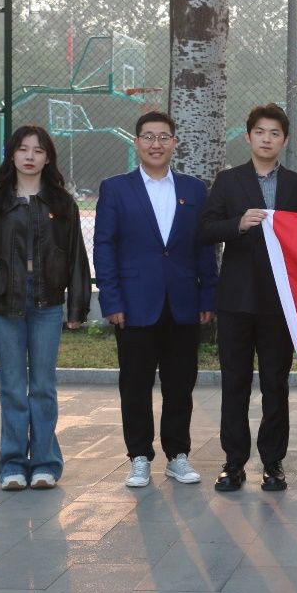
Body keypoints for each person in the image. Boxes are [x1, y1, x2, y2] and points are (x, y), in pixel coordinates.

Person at [0, 125, 91, 491]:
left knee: (43, 385)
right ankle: (12, 465)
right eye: (23, 149)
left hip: (48, 303)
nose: (30, 156)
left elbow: (76, 257)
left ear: (48, 158)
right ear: (12, 154)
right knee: (13, 386)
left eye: (38, 150)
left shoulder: (62, 204)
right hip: (3, 303)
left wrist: (76, 307)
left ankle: (45, 463)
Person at [93, 111, 217, 488]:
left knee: (180, 383)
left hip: (183, 302)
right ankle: (139, 457)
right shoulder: (115, 189)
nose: (156, 144)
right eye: (148, 137)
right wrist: (112, 301)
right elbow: (104, 247)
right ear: (136, 143)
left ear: (174, 143)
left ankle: (177, 455)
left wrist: (207, 296)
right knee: (135, 384)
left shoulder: (194, 189)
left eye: (164, 137)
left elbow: (204, 248)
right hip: (133, 305)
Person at [199, 104, 297, 493]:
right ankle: (233, 462)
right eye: (260, 132)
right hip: (236, 300)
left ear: (284, 140)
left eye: (275, 133)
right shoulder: (228, 181)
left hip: (279, 301)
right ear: (248, 137)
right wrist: (238, 224)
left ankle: (273, 462)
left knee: (276, 385)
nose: (267, 139)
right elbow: (206, 230)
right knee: (235, 383)